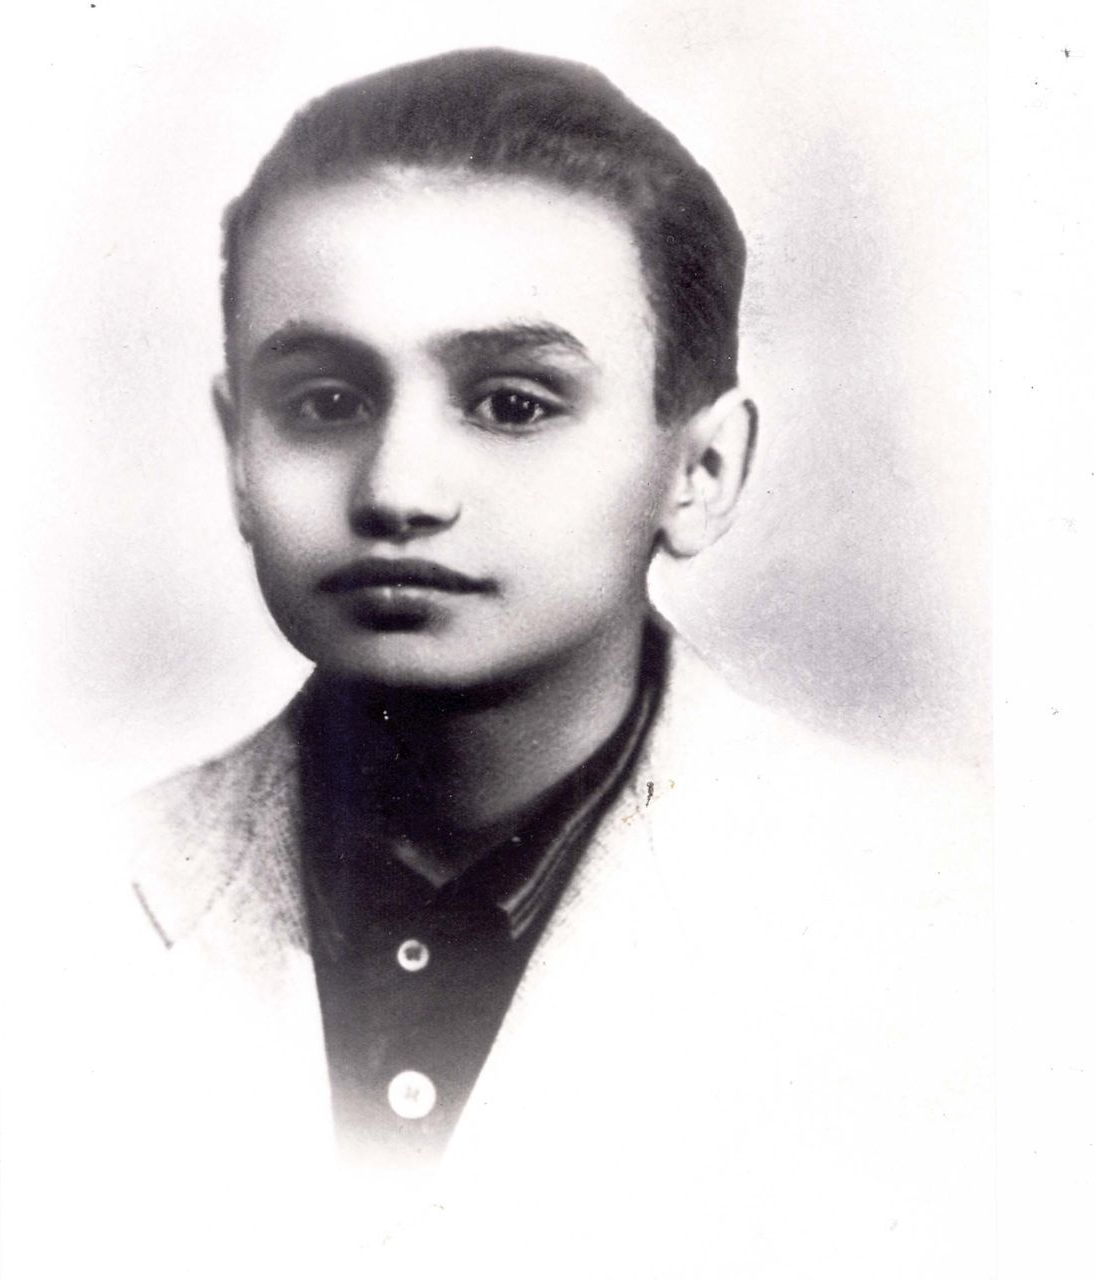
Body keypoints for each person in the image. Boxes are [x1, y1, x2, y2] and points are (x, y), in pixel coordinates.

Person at [76, 48, 987, 1276]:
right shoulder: (39, 907)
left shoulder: (954, 915)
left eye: (513, 403)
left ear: (700, 472)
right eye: (326, 403)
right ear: (239, 452)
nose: (398, 491)